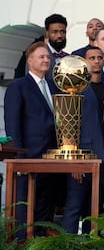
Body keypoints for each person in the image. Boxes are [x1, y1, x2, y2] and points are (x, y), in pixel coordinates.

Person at [4, 42, 60, 239]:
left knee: (45, 204)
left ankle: (41, 241)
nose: (46, 60)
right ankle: (22, 242)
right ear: (30, 61)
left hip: (51, 157)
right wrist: (19, 159)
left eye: (48, 57)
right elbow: (12, 124)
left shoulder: (53, 86)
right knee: (25, 205)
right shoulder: (18, 86)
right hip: (28, 158)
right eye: (41, 57)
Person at [62, 69, 104, 233]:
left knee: (94, 208)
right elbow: (68, 124)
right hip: (81, 156)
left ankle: (91, 243)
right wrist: (74, 159)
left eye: (99, 57)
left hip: (102, 156)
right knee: (75, 204)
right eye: (92, 58)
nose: (97, 61)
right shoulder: (74, 88)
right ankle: (67, 243)